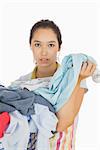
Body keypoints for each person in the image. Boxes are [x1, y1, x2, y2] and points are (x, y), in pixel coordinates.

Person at [0, 19, 96, 150]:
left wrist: (78, 79)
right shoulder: (22, 83)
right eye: (38, 44)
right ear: (31, 46)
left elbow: (62, 124)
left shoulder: (72, 77)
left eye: (50, 45)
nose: (44, 52)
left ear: (59, 47)